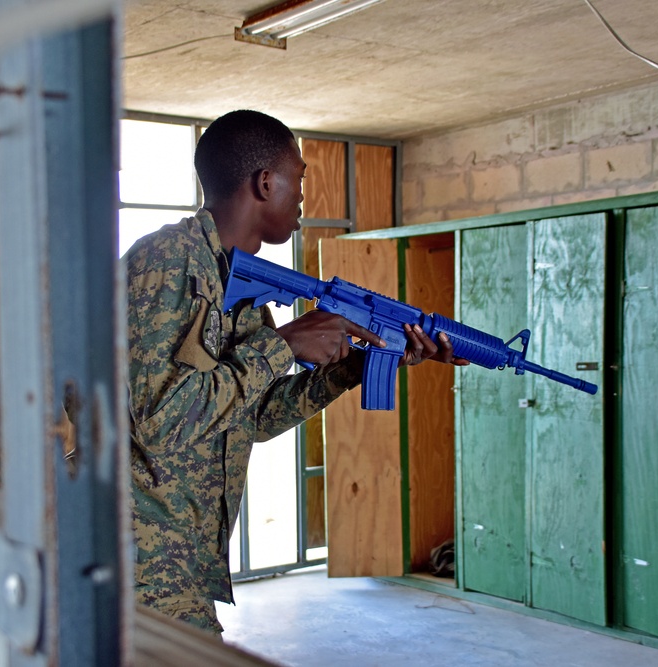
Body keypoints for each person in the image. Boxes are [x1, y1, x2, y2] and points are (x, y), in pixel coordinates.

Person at [126, 109, 467, 635]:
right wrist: (281, 346)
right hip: (135, 566)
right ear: (265, 182)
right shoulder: (168, 263)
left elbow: (252, 417)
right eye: (300, 181)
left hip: (184, 565)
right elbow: (158, 422)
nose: (304, 200)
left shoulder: (238, 284)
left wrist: (356, 365)